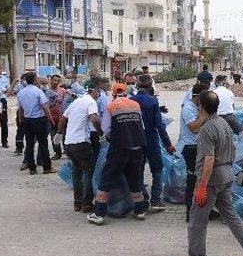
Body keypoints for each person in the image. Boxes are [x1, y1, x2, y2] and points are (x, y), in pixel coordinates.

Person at [178, 90, 243, 256]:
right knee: (231, 216)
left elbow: (208, 160)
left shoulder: (207, 129)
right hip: (226, 175)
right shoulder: (224, 124)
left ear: (201, 106)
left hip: (211, 179)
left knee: (197, 220)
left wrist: (201, 186)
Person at [87, 84, 148, 225]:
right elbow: (141, 126)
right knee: (134, 178)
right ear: (125, 93)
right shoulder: (135, 105)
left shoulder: (111, 106)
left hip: (120, 147)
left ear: (114, 94)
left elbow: (106, 129)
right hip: (138, 146)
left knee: (107, 178)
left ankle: (99, 213)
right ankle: (139, 211)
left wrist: (107, 137)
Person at [131, 74, 176, 211]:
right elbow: (159, 125)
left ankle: (142, 200)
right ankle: (156, 200)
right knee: (157, 169)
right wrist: (168, 144)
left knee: (137, 171)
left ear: (137, 86)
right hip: (151, 140)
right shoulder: (152, 101)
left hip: (135, 141)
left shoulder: (131, 100)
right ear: (151, 86)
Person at [55, 86, 103, 212]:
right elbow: (95, 119)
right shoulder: (90, 101)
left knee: (77, 173)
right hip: (81, 142)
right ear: (95, 92)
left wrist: (59, 133)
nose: (99, 96)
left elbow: (63, 118)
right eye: (98, 93)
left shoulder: (76, 102)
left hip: (69, 143)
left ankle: (78, 203)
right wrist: (101, 133)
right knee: (89, 171)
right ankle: (87, 203)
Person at [181, 83, 211, 221]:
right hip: (192, 148)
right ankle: (190, 213)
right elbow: (193, 127)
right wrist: (204, 115)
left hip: (200, 147)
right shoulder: (188, 108)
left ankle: (205, 210)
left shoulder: (197, 107)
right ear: (198, 97)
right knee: (192, 181)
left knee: (204, 180)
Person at [17, 72, 56, 175]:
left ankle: (32, 168)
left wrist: (20, 120)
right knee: (43, 144)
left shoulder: (21, 92)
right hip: (39, 120)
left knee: (29, 144)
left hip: (27, 120)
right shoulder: (38, 91)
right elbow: (44, 107)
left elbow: (20, 109)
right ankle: (47, 167)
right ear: (35, 80)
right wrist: (50, 118)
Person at [46, 74, 67, 160]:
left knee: (64, 135)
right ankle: (57, 153)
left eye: (58, 81)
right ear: (50, 81)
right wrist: (54, 102)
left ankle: (67, 151)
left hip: (62, 116)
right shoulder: (47, 92)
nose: (56, 82)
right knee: (53, 135)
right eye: (54, 80)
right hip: (51, 117)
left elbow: (68, 100)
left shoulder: (62, 91)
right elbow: (45, 105)